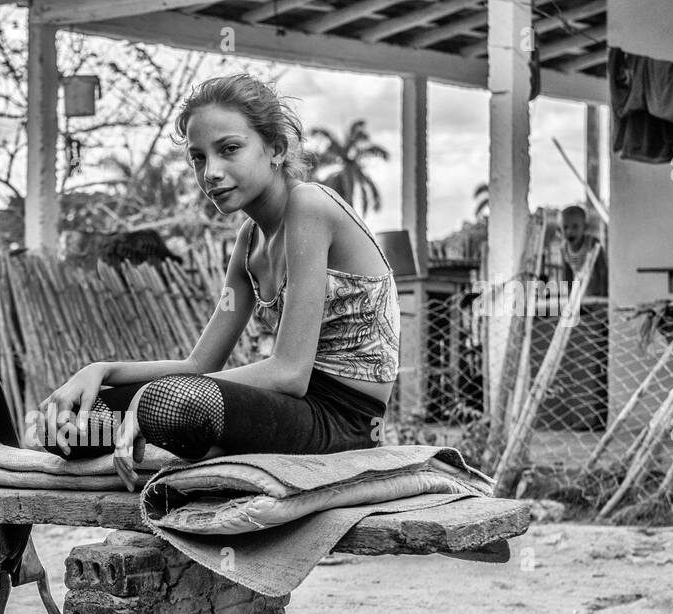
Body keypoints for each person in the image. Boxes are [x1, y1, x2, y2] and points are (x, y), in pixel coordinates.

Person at [34, 73, 401, 491]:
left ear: (276, 149)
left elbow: (289, 373)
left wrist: (148, 398)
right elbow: (199, 365)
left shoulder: (309, 206)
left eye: (229, 149)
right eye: (198, 158)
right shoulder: (249, 242)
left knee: (173, 402)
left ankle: (172, 432)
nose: (211, 172)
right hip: (282, 408)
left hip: (343, 419)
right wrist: (100, 371)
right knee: (65, 423)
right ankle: (176, 435)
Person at [560, 205, 608, 298]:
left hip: (598, 293)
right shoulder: (564, 249)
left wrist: (604, 295)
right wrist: (568, 297)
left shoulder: (592, 244)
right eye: (565, 227)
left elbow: (603, 270)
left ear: (585, 227)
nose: (570, 231)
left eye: (575, 227)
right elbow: (566, 275)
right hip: (581, 293)